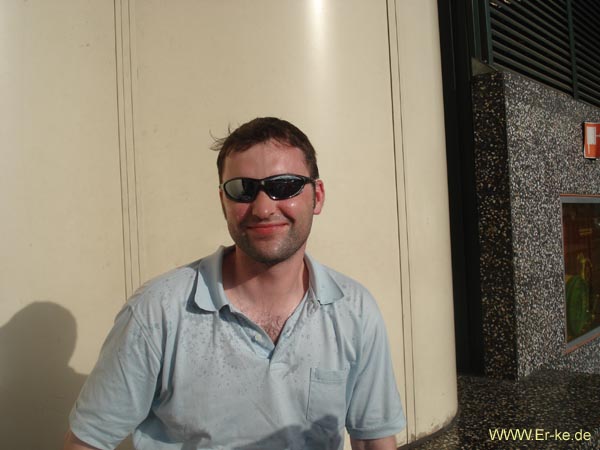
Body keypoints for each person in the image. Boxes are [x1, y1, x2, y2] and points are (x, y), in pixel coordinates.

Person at [63, 117, 405, 450]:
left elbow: (372, 439)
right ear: (223, 201)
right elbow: (88, 441)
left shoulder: (354, 310)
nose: (263, 208)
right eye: (243, 189)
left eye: (284, 186)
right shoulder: (158, 312)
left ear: (318, 195)